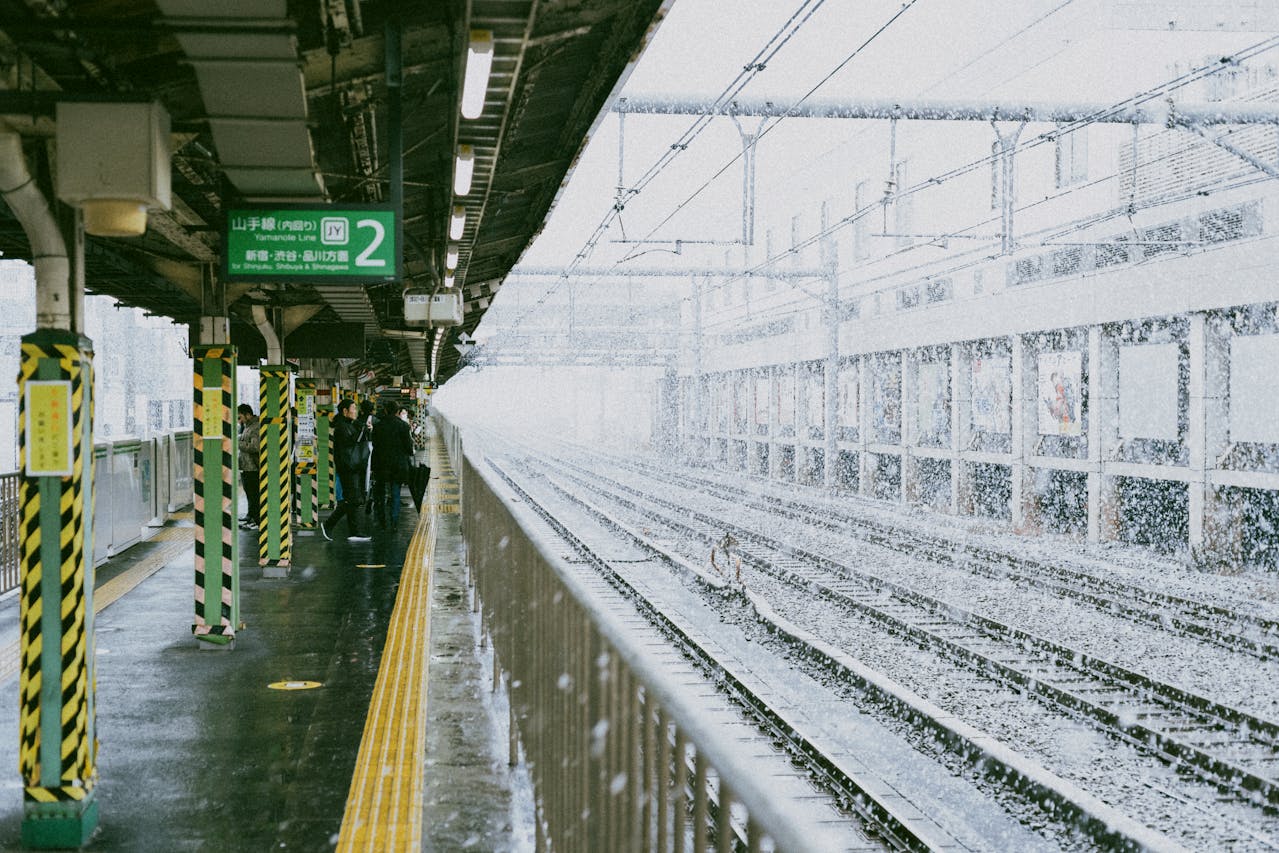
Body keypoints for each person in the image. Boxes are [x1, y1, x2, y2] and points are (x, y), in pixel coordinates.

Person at [320, 398, 371, 541]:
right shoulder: (342, 427)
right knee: (352, 499)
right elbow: (351, 442)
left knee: (352, 499)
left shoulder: (349, 424)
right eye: (353, 409)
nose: (355, 412)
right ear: (345, 411)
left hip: (351, 467)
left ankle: (354, 532)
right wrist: (362, 429)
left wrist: (364, 428)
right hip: (347, 468)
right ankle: (329, 524)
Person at [371, 401, 414, 528]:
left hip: (381, 465)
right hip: (398, 466)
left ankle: (382, 521)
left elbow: (375, 445)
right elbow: (409, 448)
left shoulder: (378, 426)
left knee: (381, 494)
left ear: (385, 410)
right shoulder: (403, 426)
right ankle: (394, 522)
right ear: (397, 412)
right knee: (395, 493)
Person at [237, 404, 260, 530]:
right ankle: (250, 515)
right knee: (249, 494)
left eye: (240, 417)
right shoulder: (247, 426)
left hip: (253, 467)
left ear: (248, 414)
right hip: (246, 466)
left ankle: (257, 520)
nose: (239, 421)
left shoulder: (256, 427)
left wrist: (238, 443)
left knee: (254, 494)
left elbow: (255, 447)